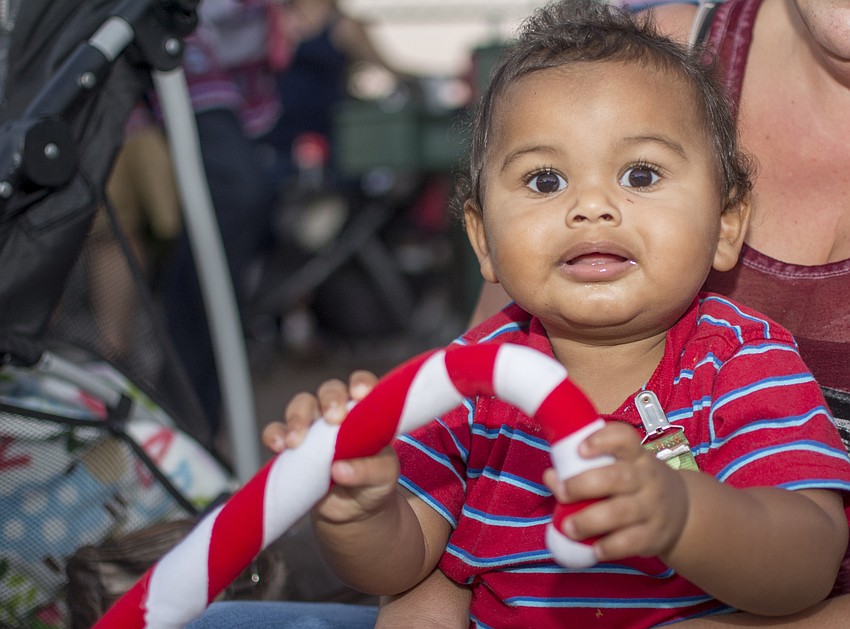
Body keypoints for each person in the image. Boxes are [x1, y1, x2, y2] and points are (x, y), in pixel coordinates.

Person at [187, 1, 850, 626]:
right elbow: (406, 558)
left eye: (641, 175)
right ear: (484, 241)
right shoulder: (470, 377)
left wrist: (684, 514)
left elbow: (809, 555)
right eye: (544, 180)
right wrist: (357, 510)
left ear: (728, 224)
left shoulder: (741, 361)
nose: (591, 206)